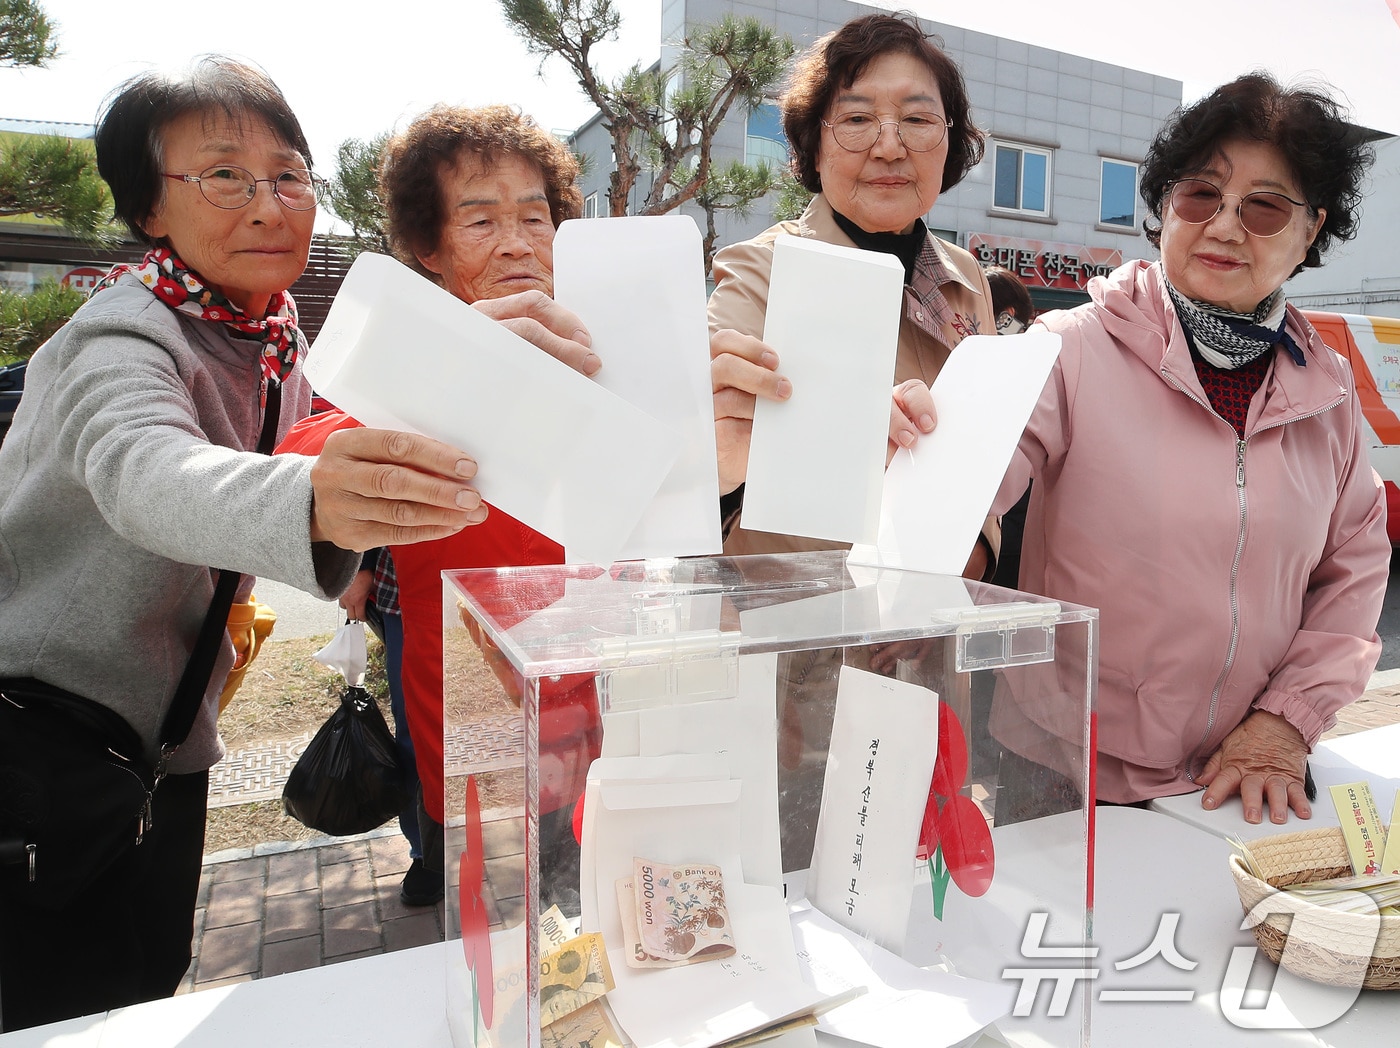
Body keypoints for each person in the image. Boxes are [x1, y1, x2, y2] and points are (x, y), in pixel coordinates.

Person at [0, 59, 596, 1030]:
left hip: (163, 743)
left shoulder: (273, 341)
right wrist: (326, 494)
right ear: (151, 208)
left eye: (289, 176)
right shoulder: (118, 337)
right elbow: (146, 475)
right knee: (61, 1005)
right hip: (40, 737)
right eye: (224, 177)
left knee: (149, 974)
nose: (268, 205)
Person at [910, 73, 1387, 826]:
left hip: (1244, 777)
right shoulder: (1067, 351)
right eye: (1202, 195)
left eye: (1264, 207)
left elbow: (1353, 574)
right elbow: (943, 511)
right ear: (1165, 208)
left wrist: (1286, 718)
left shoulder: (1321, 389)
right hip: (1062, 774)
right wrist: (908, 451)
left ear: (1310, 231)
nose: (1226, 226)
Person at [278, 104, 602, 910]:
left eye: (537, 216)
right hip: (462, 679)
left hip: (595, 674)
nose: (519, 241)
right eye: (482, 219)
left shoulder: (602, 343)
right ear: (427, 245)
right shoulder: (402, 361)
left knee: (586, 881)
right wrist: (460, 377)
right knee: (490, 911)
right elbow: (298, 462)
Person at [710, 11, 998, 577]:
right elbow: (707, 467)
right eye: (858, 118)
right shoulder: (761, 269)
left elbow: (984, 454)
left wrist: (976, 557)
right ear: (814, 146)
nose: (889, 148)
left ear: (949, 144)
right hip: (797, 637)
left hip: (938, 629)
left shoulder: (966, 278)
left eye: (917, 119)